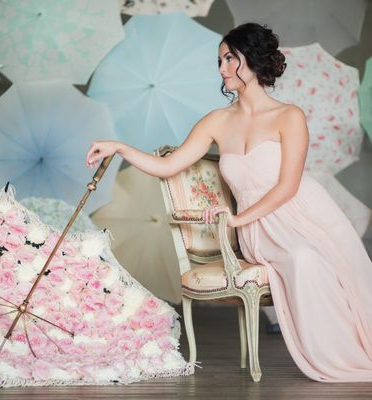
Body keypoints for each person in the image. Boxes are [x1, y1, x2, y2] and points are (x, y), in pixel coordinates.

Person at [86, 23, 372, 382]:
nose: (222, 68)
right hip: (261, 228)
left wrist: (237, 219)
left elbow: (288, 186)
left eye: (230, 59)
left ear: (253, 60)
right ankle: (338, 359)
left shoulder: (290, 116)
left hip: (305, 213)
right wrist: (119, 147)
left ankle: (354, 351)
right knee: (302, 258)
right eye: (220, 60)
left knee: (329, 265)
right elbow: (168, 166)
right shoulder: (217, 121)